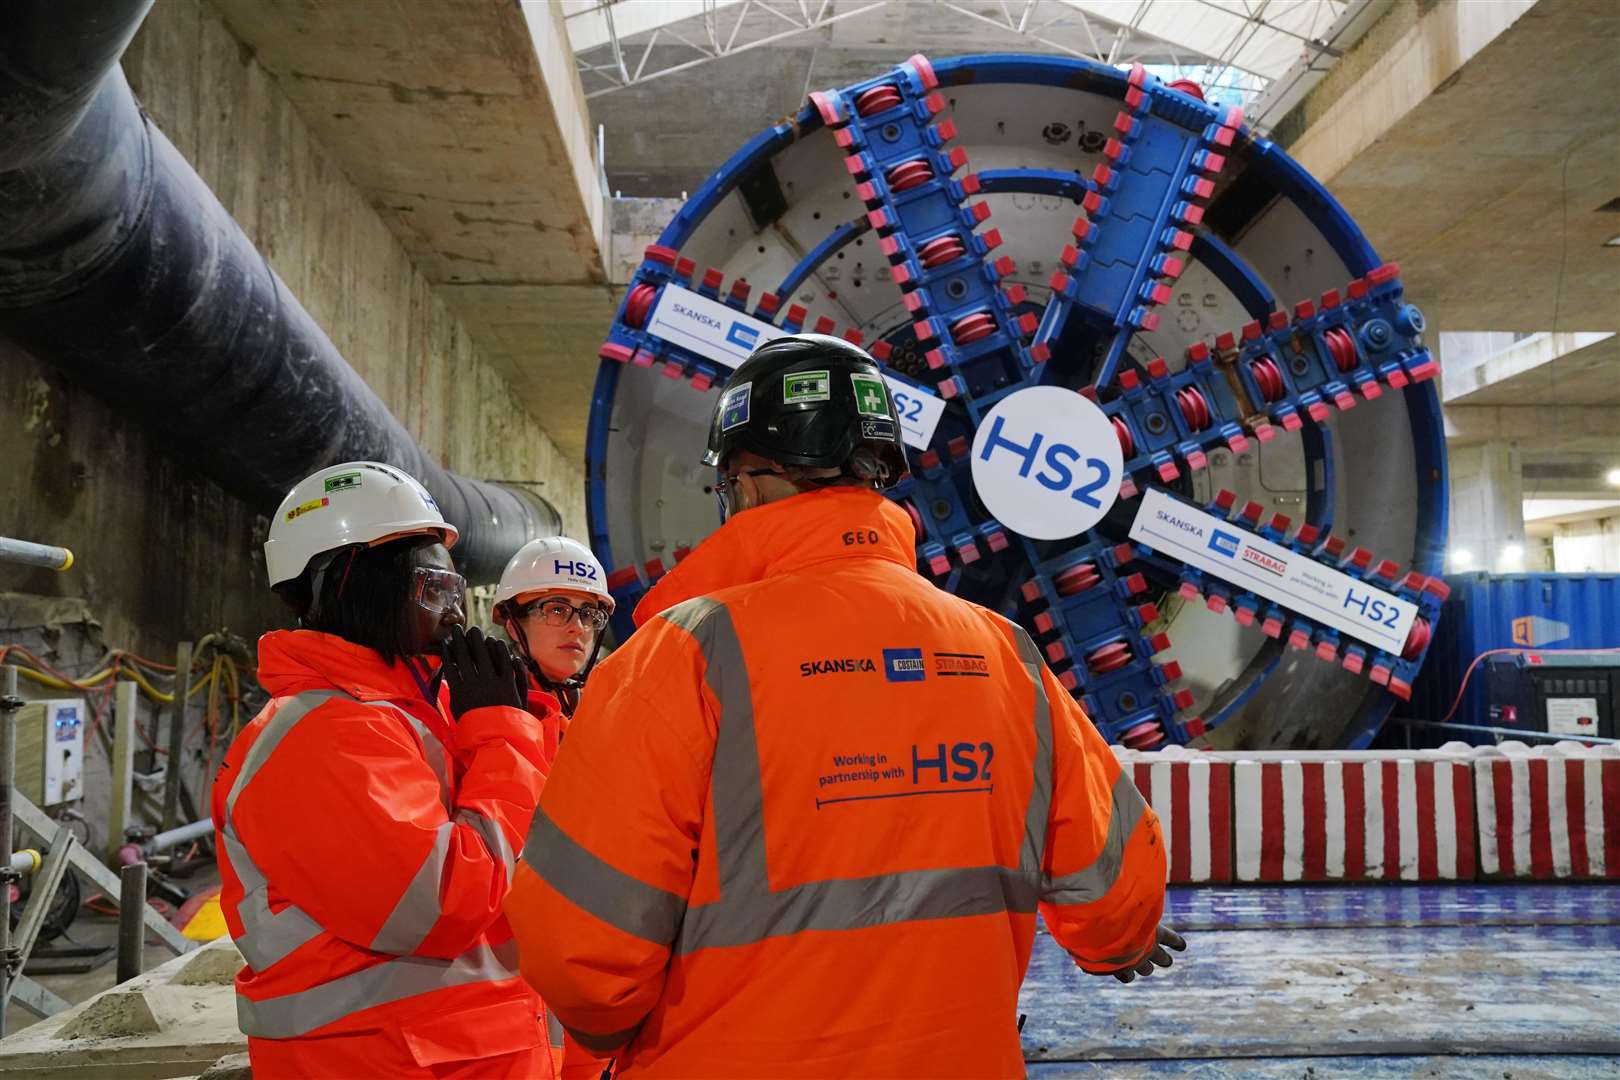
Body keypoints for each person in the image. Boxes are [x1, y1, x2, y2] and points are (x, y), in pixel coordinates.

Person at [504, 335, 1183, 1079]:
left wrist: (608, 1035)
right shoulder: (1005, 654)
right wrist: (1115, 938)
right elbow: (1120, 891)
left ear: (749, 482)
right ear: (878, 477)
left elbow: (580, 958)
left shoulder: (681, 658)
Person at [213, 461, 554, 1079]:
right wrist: (503, 732)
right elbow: (443, 903)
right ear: (352, 582)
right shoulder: (321, 735)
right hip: (376, 1060)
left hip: (459, 1055)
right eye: (433, 591)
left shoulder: (418, 716)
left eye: (458, 593)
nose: (455, 617)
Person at [493, 537, 616, 1080]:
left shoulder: (611, 714)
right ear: (511, 621)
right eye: (556, 609)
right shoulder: (471, 716)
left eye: (588, 613)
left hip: (593, 979)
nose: (577, 628)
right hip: (508, 987)